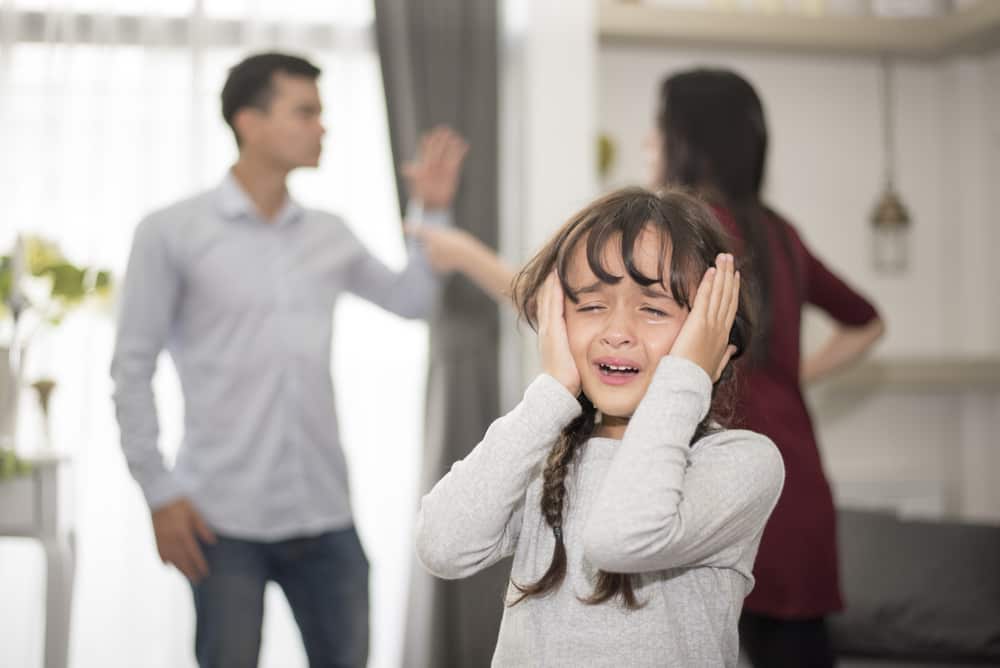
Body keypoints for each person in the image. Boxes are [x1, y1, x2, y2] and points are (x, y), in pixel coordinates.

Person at [110, 52, 467, 668]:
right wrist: (159, 492)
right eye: (306, 112)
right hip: (220, 520)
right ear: (249, 121)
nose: (321, 127)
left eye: (320, 113)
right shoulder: (171, 231)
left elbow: (411, 301)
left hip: (325, 515)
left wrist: (431, 212)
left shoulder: (328, 232)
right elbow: (131, 369)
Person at [414, 187, 785, 667]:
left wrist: (687, 374)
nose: (617, 331)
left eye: (653, 309)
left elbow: (622, 537)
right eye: (590, 306)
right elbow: (443, 544)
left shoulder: (740, 461)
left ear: (712, 340)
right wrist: (552, 392)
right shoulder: (541, 454)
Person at [650, 67, 886, 667]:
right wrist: (787, 376)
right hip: (794, 483)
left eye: (657, 129)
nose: (648, 144)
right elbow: (868, 321)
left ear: (686, 139)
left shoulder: (685, 232)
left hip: (721, 486)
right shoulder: (781, 234)